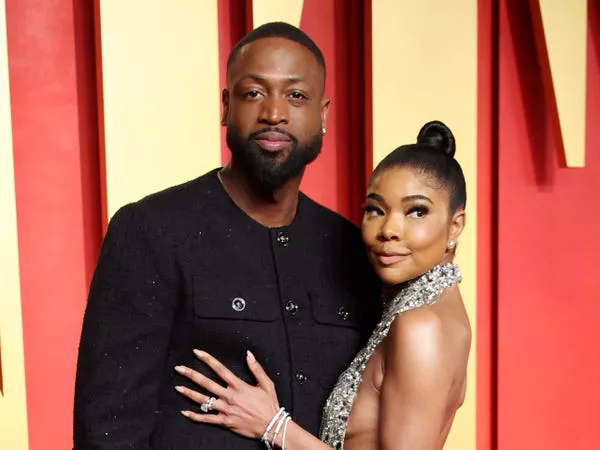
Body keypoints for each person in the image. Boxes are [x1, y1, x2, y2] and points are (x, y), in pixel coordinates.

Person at [73, 22, 378, 449]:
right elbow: (106, 428)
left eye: (296, 95)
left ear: (323, 114)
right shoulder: (151, 231)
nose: (274, 112)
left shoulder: (353, 249)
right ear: (225, 106)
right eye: (254, 93)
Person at [172, 121, 472, 449]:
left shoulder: (421, 326)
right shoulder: (429, 312)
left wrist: (273, 425)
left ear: (455, 224)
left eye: (417, 212)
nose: (389, 229)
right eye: (375, 210)